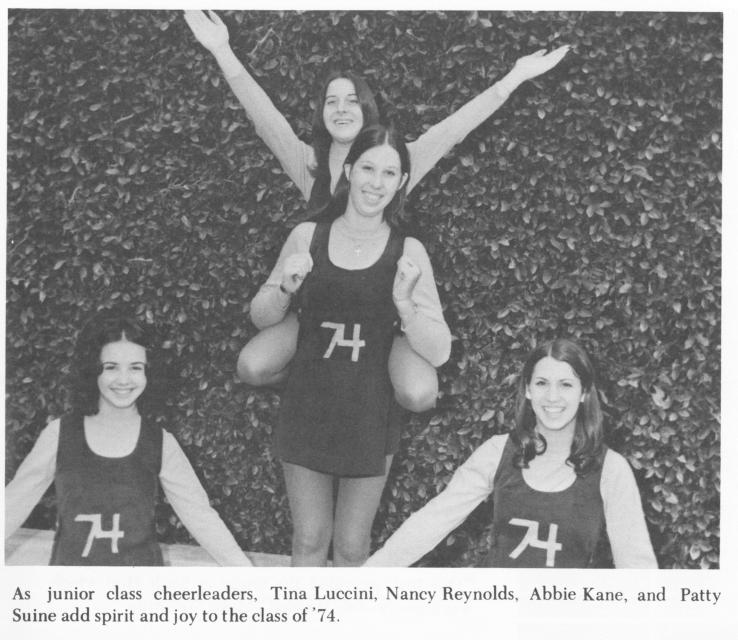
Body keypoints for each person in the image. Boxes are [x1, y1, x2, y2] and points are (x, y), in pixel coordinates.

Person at [184, 10, 569, 412]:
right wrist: (222, 50)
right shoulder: (308, 163)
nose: (341, 108)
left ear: (368, 109)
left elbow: (454, 128)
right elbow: (264, 118)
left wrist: (515, 76)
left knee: (420, 393)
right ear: (321, 114)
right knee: (252, 365)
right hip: (322, 311)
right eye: (331, 101)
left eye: (352, 100)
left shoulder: (397, 161)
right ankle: (316, 381)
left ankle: (369, 390)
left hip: (380, 312)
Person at [250, 123, 451, 566]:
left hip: (368, 408)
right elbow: (260, 316)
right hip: (310, 400)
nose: (375, 183)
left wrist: (406, 305)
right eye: (367, 168)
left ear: (400, 183)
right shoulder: (308, 236)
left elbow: (439, 351)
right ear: (348, 170)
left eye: (388, 173)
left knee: (353, 547)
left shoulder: (409, 250)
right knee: (307, 540)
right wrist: (284, 287)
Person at [364, 338, 657, 568]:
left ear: (583, 393)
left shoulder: (611, 470)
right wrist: (364, 579)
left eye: (565, 384)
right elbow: (433, 520)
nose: (552, 397)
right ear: (527, 390)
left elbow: (636, 565)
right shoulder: (497, 452)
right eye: (542, 383)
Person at [4, 311, 252, 566]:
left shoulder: (160, 442)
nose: (124, 379)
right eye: (111, 367)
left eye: (135, 367)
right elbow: (15, 503)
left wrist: (247, 575)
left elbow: (200, 516)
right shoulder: (59, 435)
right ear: (92, 369)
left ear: (149, 372)